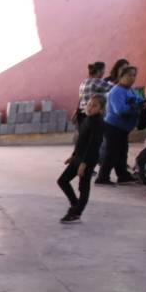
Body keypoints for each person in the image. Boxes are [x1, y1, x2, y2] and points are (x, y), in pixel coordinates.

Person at [58, 94, 105, 223]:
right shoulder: (87, 119)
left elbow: (93, 145)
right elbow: (81, 142)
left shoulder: (98, 123)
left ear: (101, 109)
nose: (90, 108)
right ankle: (75, 203)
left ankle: (77, 213)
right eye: (89, 104)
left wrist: (84, 164)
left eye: (94, 106)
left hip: (87, 160)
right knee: (62, 181)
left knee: (83, 187)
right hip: (78, 157)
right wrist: (73, 156)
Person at [97, 66, 142, 185]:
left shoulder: (131, 90)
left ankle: (123, 175)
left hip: (123, 128)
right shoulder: (117, 91)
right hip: (113, 126)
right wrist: (135, 107)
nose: (132, 78)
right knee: (111, 153)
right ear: (121, 76)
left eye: (134, 75)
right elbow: (120, 110)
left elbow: (138, 100)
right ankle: (102, 177)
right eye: (129, 75)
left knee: (122, 152)